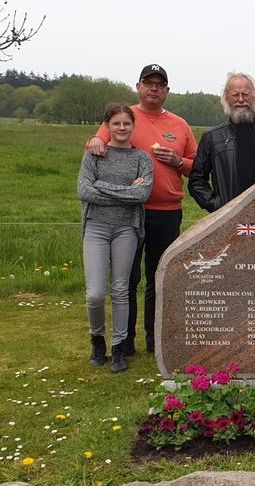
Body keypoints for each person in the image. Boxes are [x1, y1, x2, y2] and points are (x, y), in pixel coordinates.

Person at [86, 64, 197, 356]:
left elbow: (195, 166)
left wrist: (177, 161)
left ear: (167, 91)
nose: (154, 88)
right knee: (128, 279)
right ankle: (126, 341)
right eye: (148, 83)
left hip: (167, 210)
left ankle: (155, 339)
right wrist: (95, 139)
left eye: (160, 84)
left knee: (159, 277)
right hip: (128, 213)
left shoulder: (180, 125)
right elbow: (97, 144)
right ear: (138, 86)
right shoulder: (126, 117)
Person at [78, 104, 153, 373]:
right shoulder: (94, 155)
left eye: (126, 124)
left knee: (121, 290)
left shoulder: (141, 159)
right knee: (96, 293)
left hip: (127, 229)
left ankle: (119, 346)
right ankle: (97, 340)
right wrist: (124, 190)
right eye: (116, 123)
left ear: (133, 126)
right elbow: (85, 191)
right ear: (107, 126)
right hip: (96, 227)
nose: (122, 128)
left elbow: (142, 195)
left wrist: (104, 186)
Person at [189, 72, 255, 212]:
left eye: (245, 94)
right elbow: (197, 181)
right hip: (226, 220)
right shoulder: (211, 137)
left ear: (254, 97)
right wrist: (216, 205)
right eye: (235, 95)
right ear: (226, 98)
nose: (241, 100)